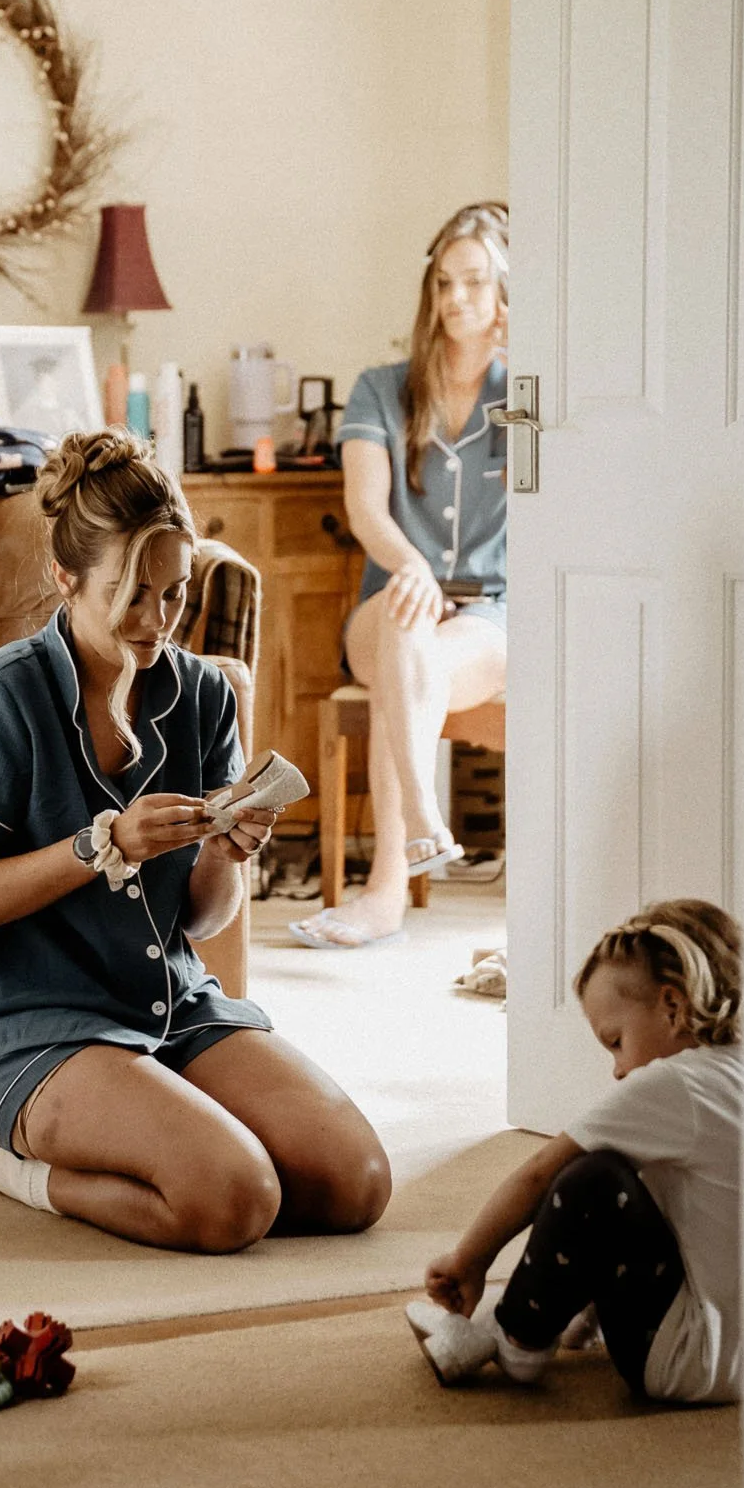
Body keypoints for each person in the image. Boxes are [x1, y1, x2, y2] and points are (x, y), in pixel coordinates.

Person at [0, 431, 391, 1251]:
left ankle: (163, 1118)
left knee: (357, 1184)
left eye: (174, 593)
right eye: (133, 594)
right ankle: (27, 1174)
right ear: (67, 578)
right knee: (233, 1199)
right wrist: (101, 845)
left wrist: (224, 850)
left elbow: (203, 921)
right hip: (32, 1024)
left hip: (171, 1006)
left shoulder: (204, 693)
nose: (158, 620)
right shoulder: (1, 697)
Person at [407, 901, 742, 1403]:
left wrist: (469, 1259)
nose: (618, 1070)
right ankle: (579, 1318)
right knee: (648, 1178)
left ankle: (515, 1335)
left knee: (595, 1178)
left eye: (616, 1042)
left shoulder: (674, 1084)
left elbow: (538, 1175)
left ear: (672, 1008)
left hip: (688, 1364)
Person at [292, 202, 509, 948]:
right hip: (388, 602)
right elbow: (364, 509)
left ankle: (385, 891)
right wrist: (412, 567)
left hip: (488, 618)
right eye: (444, 282)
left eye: (475, 282)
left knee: (409, 657)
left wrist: (539, 354)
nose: (456, 298)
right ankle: (421, 816)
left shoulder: (532, 393)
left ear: (506, 290)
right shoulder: (381, 389)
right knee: (401, 625)